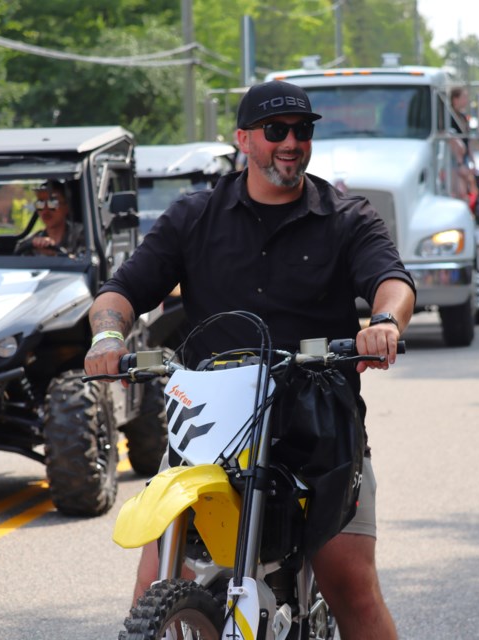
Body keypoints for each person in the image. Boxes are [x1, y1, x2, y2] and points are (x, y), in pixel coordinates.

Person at [84, 79, 414, 640]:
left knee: (350, 583)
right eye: (276, 131)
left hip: (320, 427)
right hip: (213, 423)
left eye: (302, 130)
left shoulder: (346, 216)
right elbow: (119, 294)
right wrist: (107, 339)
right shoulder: (194, 216)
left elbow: (391, 281)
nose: (291, 143)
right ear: (243, 139)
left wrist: (384, 323)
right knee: (152, 582)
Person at [15, 180, 84, 256]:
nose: (45, 209)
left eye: (52, 203)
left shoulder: (83, 236)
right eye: (40, 204)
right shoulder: (30, 243)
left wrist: (55, 254)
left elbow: (84, 263)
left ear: (67, 206)